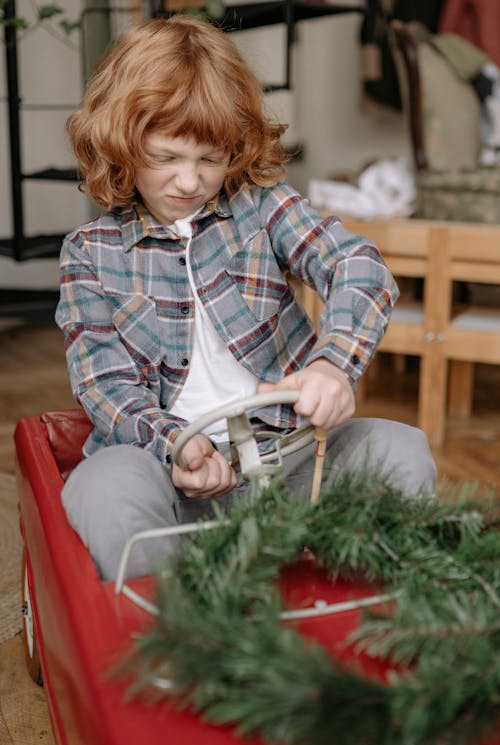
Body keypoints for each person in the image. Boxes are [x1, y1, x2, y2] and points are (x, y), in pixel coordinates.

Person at [55, 14, 436, 581]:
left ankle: (381, 607)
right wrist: (176, 449)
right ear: (121, 142)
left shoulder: (261, 207)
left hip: (291, 461)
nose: (190, 181)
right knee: (105, 484)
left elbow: (359, 266)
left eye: (210, 159)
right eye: (166, 158)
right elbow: (106, 388)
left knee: (401, 449)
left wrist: (333, 365)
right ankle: (171, 626)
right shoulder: (89, 252)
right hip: (172, 477)